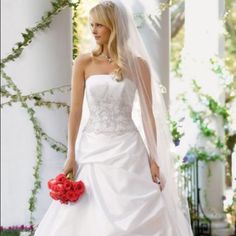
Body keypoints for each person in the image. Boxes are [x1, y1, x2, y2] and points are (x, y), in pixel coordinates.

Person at [34, 0, 194, 235]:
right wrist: (71, 154)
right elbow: (75, 112)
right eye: (91, 24)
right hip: (92, 150)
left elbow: (148, 115)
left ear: (114, 26)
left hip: (129, 150)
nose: (93, 30)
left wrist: (153, 158)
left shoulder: (138, 65)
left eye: (99, 25)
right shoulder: (83, 62)